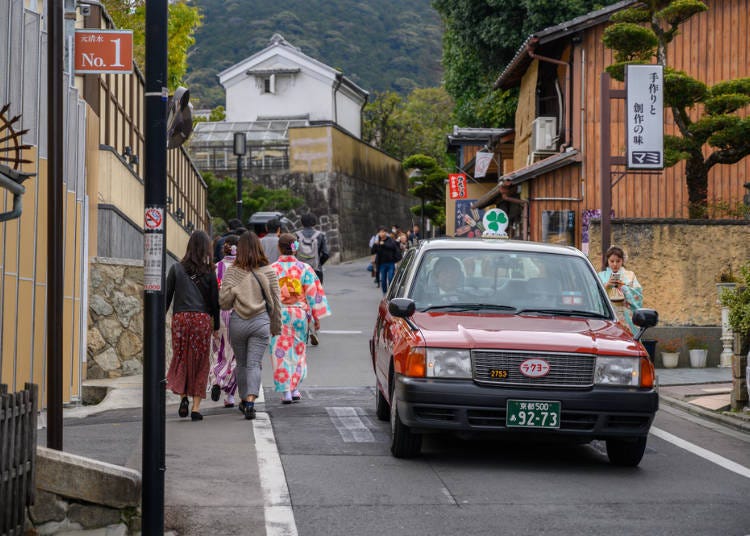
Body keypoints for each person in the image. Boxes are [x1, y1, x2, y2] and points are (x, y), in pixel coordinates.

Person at [219, 231, 282, 420]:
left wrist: (236, 291)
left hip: (238, 322)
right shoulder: (269, 271)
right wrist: (276, 326)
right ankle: (251, 401)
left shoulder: (232, 272)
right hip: (261, 322)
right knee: (254, 364)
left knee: (242, 363)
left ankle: (244, 399)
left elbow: (224, 302)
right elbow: (276, 302)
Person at [270, 233, 331, 404]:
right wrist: (316, 317)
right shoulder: (304, 268)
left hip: (279, 313)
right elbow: (314, 294)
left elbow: (267, 295)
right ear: (295, 249)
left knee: (280, 352)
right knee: (298, 351)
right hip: (299, 314)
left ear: (279, 248)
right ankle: (295, 388)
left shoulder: (272, 269)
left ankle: (286, 392)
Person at [166, 230, 220, 422]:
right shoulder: (209, 272)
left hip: (180, 319)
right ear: (206, 249)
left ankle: (183, 398)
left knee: (181, 358)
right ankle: (196, 408)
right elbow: (215, 303)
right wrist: (216, 327)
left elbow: (166, 298)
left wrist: (159, 320)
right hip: (201, 320)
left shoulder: (175, 269)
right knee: (200, 361)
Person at [209, 235, 239, 408]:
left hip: (220, 313)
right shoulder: (243, 269)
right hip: (238, 313)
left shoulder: (216, 268)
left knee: (219, 351)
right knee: (235, 353)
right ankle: (230, 396)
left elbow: (211, 295)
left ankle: (216, 380)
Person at [597, 245, 643, 334]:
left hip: (626, 315)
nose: (615, 264)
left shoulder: (630, 275)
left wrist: (623, 288)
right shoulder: (601, 275)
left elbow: (638, 295)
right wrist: (607, 286)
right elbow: (594, 295)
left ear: (622, 261)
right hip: (608, 315)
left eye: (618, 261)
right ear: (607, 261)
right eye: (612, 261)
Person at [295, 213, 330, 284]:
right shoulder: (321, 235)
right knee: (316, 293)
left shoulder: (296, 235)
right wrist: (319, 263)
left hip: (299, 270)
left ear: (302, 222)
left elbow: (292, 251)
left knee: (300, 293)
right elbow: (326, 254)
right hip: (316, 270)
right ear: (314, 223)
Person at [371, 226, 401, 294]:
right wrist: (375, 245)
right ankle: (385, 293)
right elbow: (373, 252)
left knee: (390, 278)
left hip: (390, 263)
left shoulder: (390, 240)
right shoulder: (377, 242)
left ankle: (390, 293)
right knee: (383, 280)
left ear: (386, 233)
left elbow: (393, 247)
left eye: (383, 232)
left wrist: (384, 244)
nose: (382, 233)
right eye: (380, 232)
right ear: (378, 233)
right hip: (382, 264)